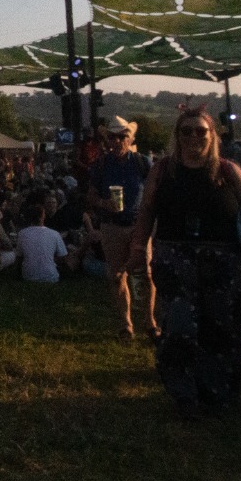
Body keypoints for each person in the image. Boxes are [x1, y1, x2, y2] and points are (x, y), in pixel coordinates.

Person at [129, 107, 241, 417]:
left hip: (223, 256)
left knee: (220, 327)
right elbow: (147, 210)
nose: (193, 136)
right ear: (177, 136)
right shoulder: (163, 170)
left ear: (211, 135)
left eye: (200, 131)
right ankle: (184, 394)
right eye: (186, 130)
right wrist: (139, 245)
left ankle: (216, 394)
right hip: (174, 254)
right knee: (179, 325)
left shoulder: (228, 170)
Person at [87, 115, 156, 341]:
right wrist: (103, 203)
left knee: (145, 275)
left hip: (138, 226)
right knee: (117, 276)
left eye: (121, 137)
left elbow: (155, 190)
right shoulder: (101, 165)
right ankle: (126, 324)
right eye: (112, 137)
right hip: (112, 226)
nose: (116, 141)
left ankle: (150, 321)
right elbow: (91, 195)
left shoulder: (142, 162)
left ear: (129, 138)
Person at [15, 205, 68, 283]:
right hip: (51, 277)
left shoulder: (22, 233)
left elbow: (19, 257)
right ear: (43, 216)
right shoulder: (54, 234)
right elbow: (62, 257)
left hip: (28, 276)